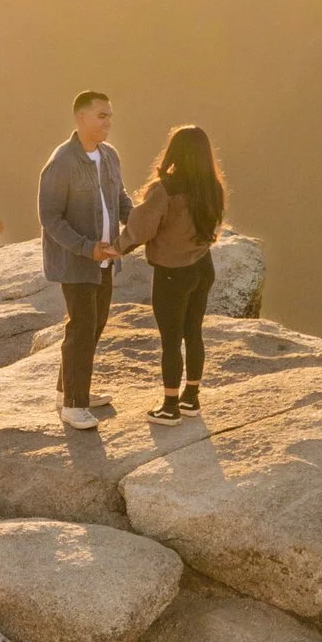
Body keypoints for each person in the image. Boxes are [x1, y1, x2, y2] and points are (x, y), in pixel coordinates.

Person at [38, 90, 131, 428]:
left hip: (106, 258)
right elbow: (50, 217)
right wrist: (85, 247)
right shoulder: (62, 161)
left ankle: (70, 391)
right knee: (81, 328)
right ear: (81, 118)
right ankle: (74, 405)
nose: (108, 122)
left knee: (94, 325)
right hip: (77, 262)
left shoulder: (109, 157)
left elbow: (120, 197)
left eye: (110, 115)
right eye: (101, 116)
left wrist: (137, 223)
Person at [122, 123, 226, 421]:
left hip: (172, 273)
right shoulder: (212, 187)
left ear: (174, 151)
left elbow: (140, 230)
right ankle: (191, 399)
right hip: (203, 268)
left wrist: (114, 248)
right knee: (193, 333)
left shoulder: (164, 190)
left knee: (170, 340)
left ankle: (169, 407)